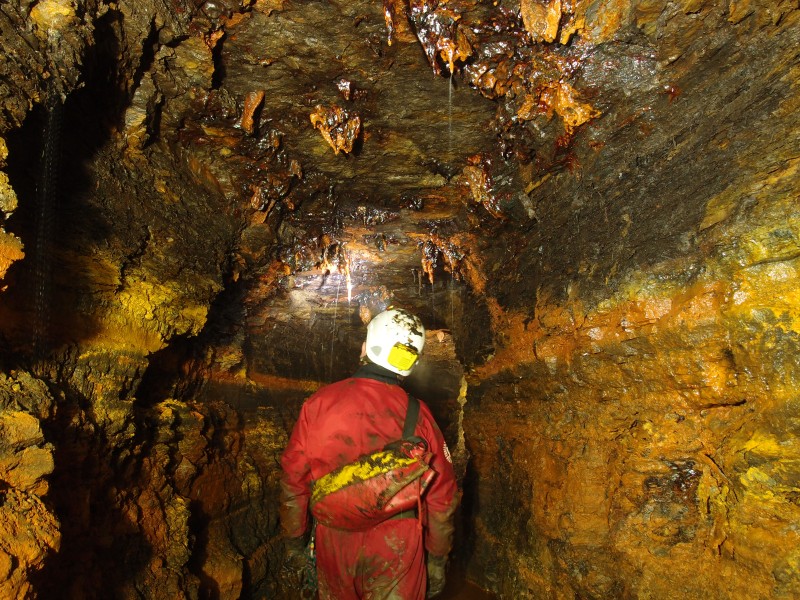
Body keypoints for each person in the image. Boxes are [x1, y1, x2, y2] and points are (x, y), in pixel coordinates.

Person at [280, 308, 459, 599]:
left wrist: (294, 541)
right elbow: (442, 495)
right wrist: (437, 557)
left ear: (365, 348)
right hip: (396, 544)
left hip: (334, 540)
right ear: (410, 363)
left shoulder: (317, 404)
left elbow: (293, 479)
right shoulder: (419, 413)